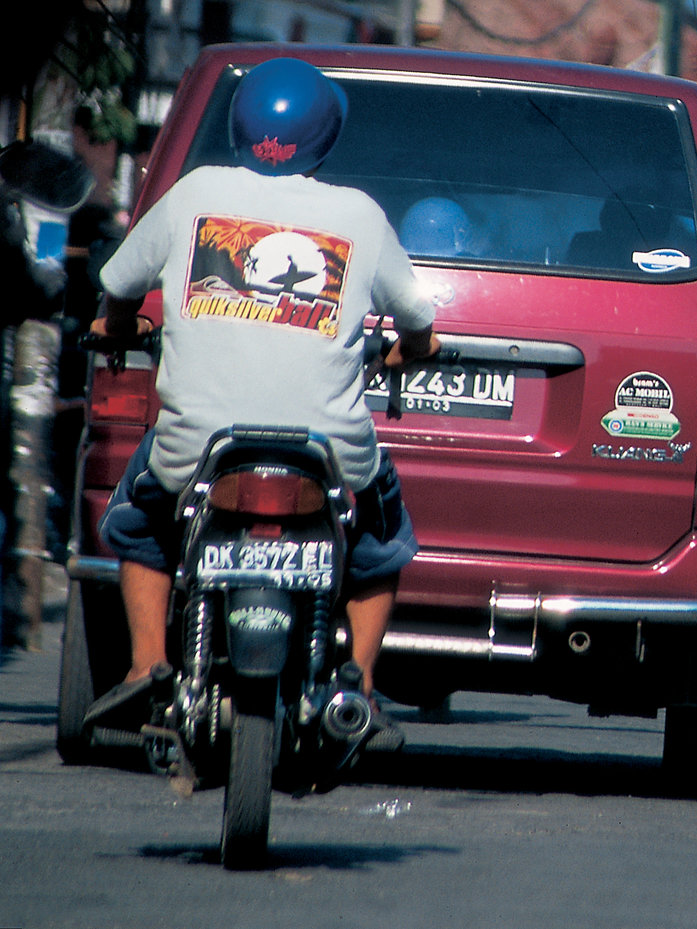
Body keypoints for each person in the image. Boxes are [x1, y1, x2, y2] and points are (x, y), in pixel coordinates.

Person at [83, 58, 440, 751]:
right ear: (326, 136)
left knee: (136, 517)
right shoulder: (358, 214)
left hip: (199, 447)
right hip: (327, 452)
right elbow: (419, 320)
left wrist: (119, 326)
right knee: (380, 538)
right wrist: (411, 349)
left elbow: (118, 285)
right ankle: (359, 682)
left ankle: (147, 660)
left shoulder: (196, 193)